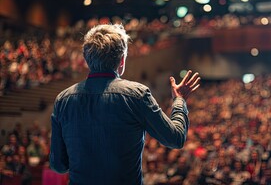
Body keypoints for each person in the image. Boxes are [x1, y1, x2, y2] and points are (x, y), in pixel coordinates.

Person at [49, 24, 200, 185]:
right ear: (122, 60)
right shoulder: (136, 95)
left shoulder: (63, 100)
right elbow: (175, 138)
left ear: (86, 60)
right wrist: (179, 100)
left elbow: (58, 165)